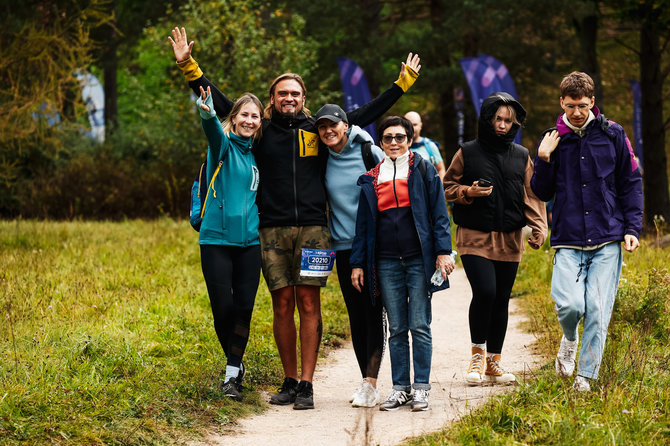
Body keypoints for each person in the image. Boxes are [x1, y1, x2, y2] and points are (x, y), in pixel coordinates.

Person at [169, 27, 421, 409]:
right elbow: (222, 104)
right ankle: (289, 381)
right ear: (273, 98)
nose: (289, 98)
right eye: (282, 93)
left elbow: (363, 114)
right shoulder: (262, 129)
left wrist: (400, 85)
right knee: (282, 305)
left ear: (304, 99)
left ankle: (307, 385)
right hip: (269, 230)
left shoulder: (317, 130)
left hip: (315, 232)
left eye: (295, 93)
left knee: (309, 305)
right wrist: (189, 66)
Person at [531, 72, 643, 392]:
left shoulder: (614, 135)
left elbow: (630, 182)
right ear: (561, 103)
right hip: (568, 236)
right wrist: (543, 159)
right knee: (569, 306)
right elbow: (541, 191)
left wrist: (632, 227)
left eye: (582, 105)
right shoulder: (553, 138)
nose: (576, 112)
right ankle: (569, 339)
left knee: (597, 309)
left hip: (608, 234)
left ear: (592, 102)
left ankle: (585, 376)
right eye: (570, 106)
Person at [350, 116, 454, 412]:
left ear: (410, 140)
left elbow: (439, 215)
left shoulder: (423, 170)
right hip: (384, 262)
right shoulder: (371, 177)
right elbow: (363, 227)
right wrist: (357, 263)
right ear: (380, 143)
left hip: (418, 261)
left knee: (419, 325)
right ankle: (400, 388)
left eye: (400, 137)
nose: (393, 143)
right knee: (396, 328)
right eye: (387, 138)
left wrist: (443, 251)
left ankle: (421, 388)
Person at [443, 92, 547, 385]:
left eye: (507, 121)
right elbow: (447, 186)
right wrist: (467, 192)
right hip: (474, 234)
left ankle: (494, 363)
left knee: (502, 299)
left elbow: (532, 194)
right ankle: (476, 356)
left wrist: (539, 226)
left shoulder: (521, 155)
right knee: (486, 292)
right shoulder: (468, 151)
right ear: (487, 120)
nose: (502, 125)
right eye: (497, 119)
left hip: (510, 236)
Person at [194, 86, 264, 401]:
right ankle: (234, 365)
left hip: (249, 243)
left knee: (244, 309)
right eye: (245, 115)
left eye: (255, 116)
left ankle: (232, 372)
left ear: (260, 122)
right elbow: (212, 131)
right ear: (234, 119)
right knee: (223, 308)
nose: (250, 121)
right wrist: (208, 111)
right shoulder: (222, 148)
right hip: (216, 241)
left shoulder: (256, 157)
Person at [314, 104, 385, 407]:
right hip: (342, 248)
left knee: (373, 313)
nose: (329, 131)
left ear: (346, 125)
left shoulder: (370, 152)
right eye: (322, 127)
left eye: (334, 125)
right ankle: (365, 381)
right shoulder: (321, 157)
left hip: (373, 247)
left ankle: (372, 382)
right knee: (356, 317)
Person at [404, 111, 446, 180]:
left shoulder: (430, 146)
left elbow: (441, 169)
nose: (411, 128)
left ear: (421, 125)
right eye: (408, 125)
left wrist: (439, 188)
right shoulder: (397, 147)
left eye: (414, 125)